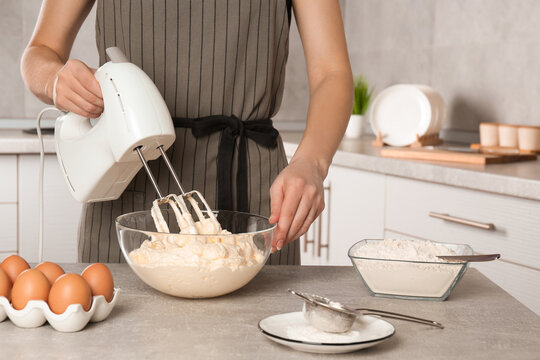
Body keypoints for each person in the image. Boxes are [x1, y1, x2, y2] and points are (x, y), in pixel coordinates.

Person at [21, 0, 353, 265]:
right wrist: (54, 80)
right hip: (127, 186)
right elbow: (41, 51)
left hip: (251, 197)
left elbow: (332, 73)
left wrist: (312, 161)